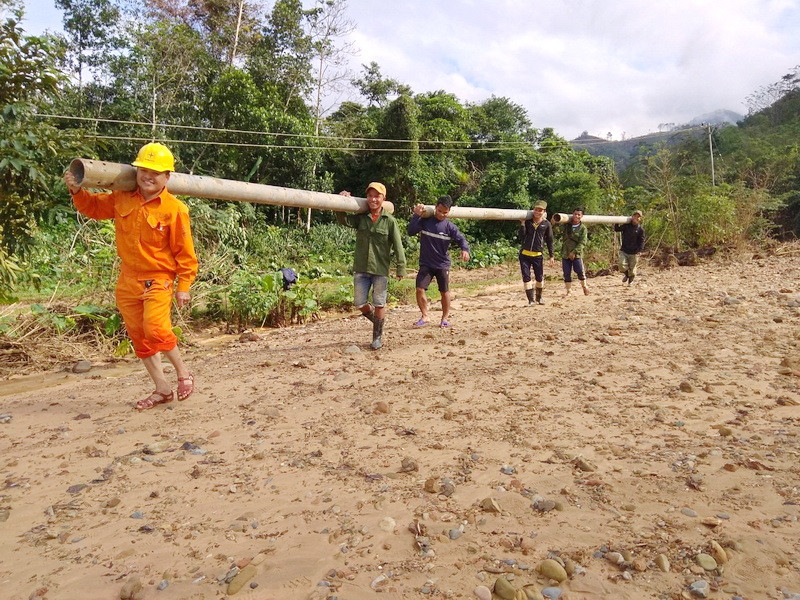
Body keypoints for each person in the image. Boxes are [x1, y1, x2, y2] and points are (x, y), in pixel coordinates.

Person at [63, 142, 198, 411]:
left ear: (166, 177)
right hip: (128, 280)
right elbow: (93, 208)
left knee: (156, 329)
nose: (148, 176)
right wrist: (77, 189)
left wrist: (184, 285)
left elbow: (185, 253)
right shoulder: (122, 196)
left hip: (158, 278)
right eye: (143, 170)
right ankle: (162, 389)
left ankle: (184, 374)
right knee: (139, 336)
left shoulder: (175, 209)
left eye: (155, 172)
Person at [338, 182, 406, 349]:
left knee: (379, 303)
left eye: (377, 196)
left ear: (383, 198)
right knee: (360, 303)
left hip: (380, 269)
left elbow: (398, 245)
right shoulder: (362, 218)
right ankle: (378, 322)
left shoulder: (389, 221)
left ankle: (377, 338)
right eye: (370, 196)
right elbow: (344, 220)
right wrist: (341, 203)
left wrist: (401, 267)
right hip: (361, 267)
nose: (373, 199)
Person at [407, 195, 470, 327]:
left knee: (444, 291)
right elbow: (411, 231)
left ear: (449, 212)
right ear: (435, 207)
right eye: (439, 211)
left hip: (442, 264)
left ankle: (445, 318)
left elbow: (461, 239)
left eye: (445, 212)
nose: (441, 214)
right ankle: (425, 316)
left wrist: (465, 249)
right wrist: (416, 215)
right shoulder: (425, 221)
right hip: (426, 263)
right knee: (419, 289)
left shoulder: (450, 227)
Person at [518, 199, 554, 305]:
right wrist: (522, 225)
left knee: (539, 277)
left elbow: (550, 240)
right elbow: (521, 237)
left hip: (538, 255)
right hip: (525, 255)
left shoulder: (546, 224)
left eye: (540, 210)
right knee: (526, 277)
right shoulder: (528, 222)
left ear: (544, 212)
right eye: (536, 210)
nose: (538, 212)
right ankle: (530, 300)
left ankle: (539, 298)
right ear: (533, 210)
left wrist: (552, 255)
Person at [561, 207, 589, 295]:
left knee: (579, 271)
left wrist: (574, 252)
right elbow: (556, 225)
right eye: (575, 214)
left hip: (577, 254)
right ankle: (569, 291)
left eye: (578, 214)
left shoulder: (583, 228)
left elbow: (582, 242)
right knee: (566, 273)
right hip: (565, 253)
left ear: (581, 216)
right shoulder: (567, 225)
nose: (576, 216)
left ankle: (584, 286)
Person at [614, 210, 646, 285]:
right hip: (624, 250)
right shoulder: (626, 226)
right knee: (621, 265)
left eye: (638, 217)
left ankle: (630, 282)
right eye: (635, 216)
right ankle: (626, 275)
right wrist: (617, 221)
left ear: (640, 219)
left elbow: (642, 241)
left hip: (634, 252)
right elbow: (617, 229)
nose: (636, 218)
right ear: (632, 217)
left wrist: (640, 250)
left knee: (632, 269)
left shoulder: (640, 229)